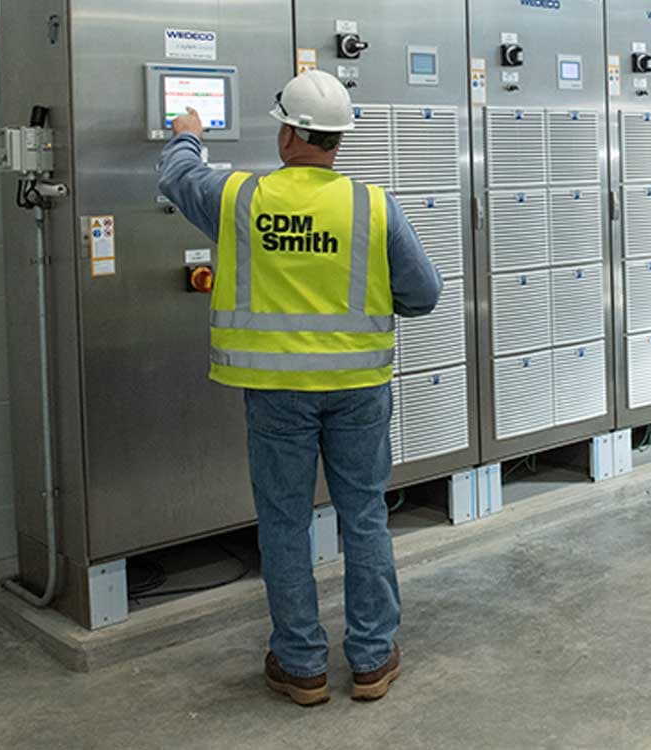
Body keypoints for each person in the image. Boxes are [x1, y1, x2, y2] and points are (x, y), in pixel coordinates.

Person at [158, 70, 442, 706]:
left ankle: (300, 664)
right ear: (338, 141)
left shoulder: (238, 198)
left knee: (285, 523)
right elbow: (423, 295)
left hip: (276, 394)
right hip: (358, 389)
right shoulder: (371, 205)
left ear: (286, 134)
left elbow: (175, 179)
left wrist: (187, 135)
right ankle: (372, 660)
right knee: (364, 516)